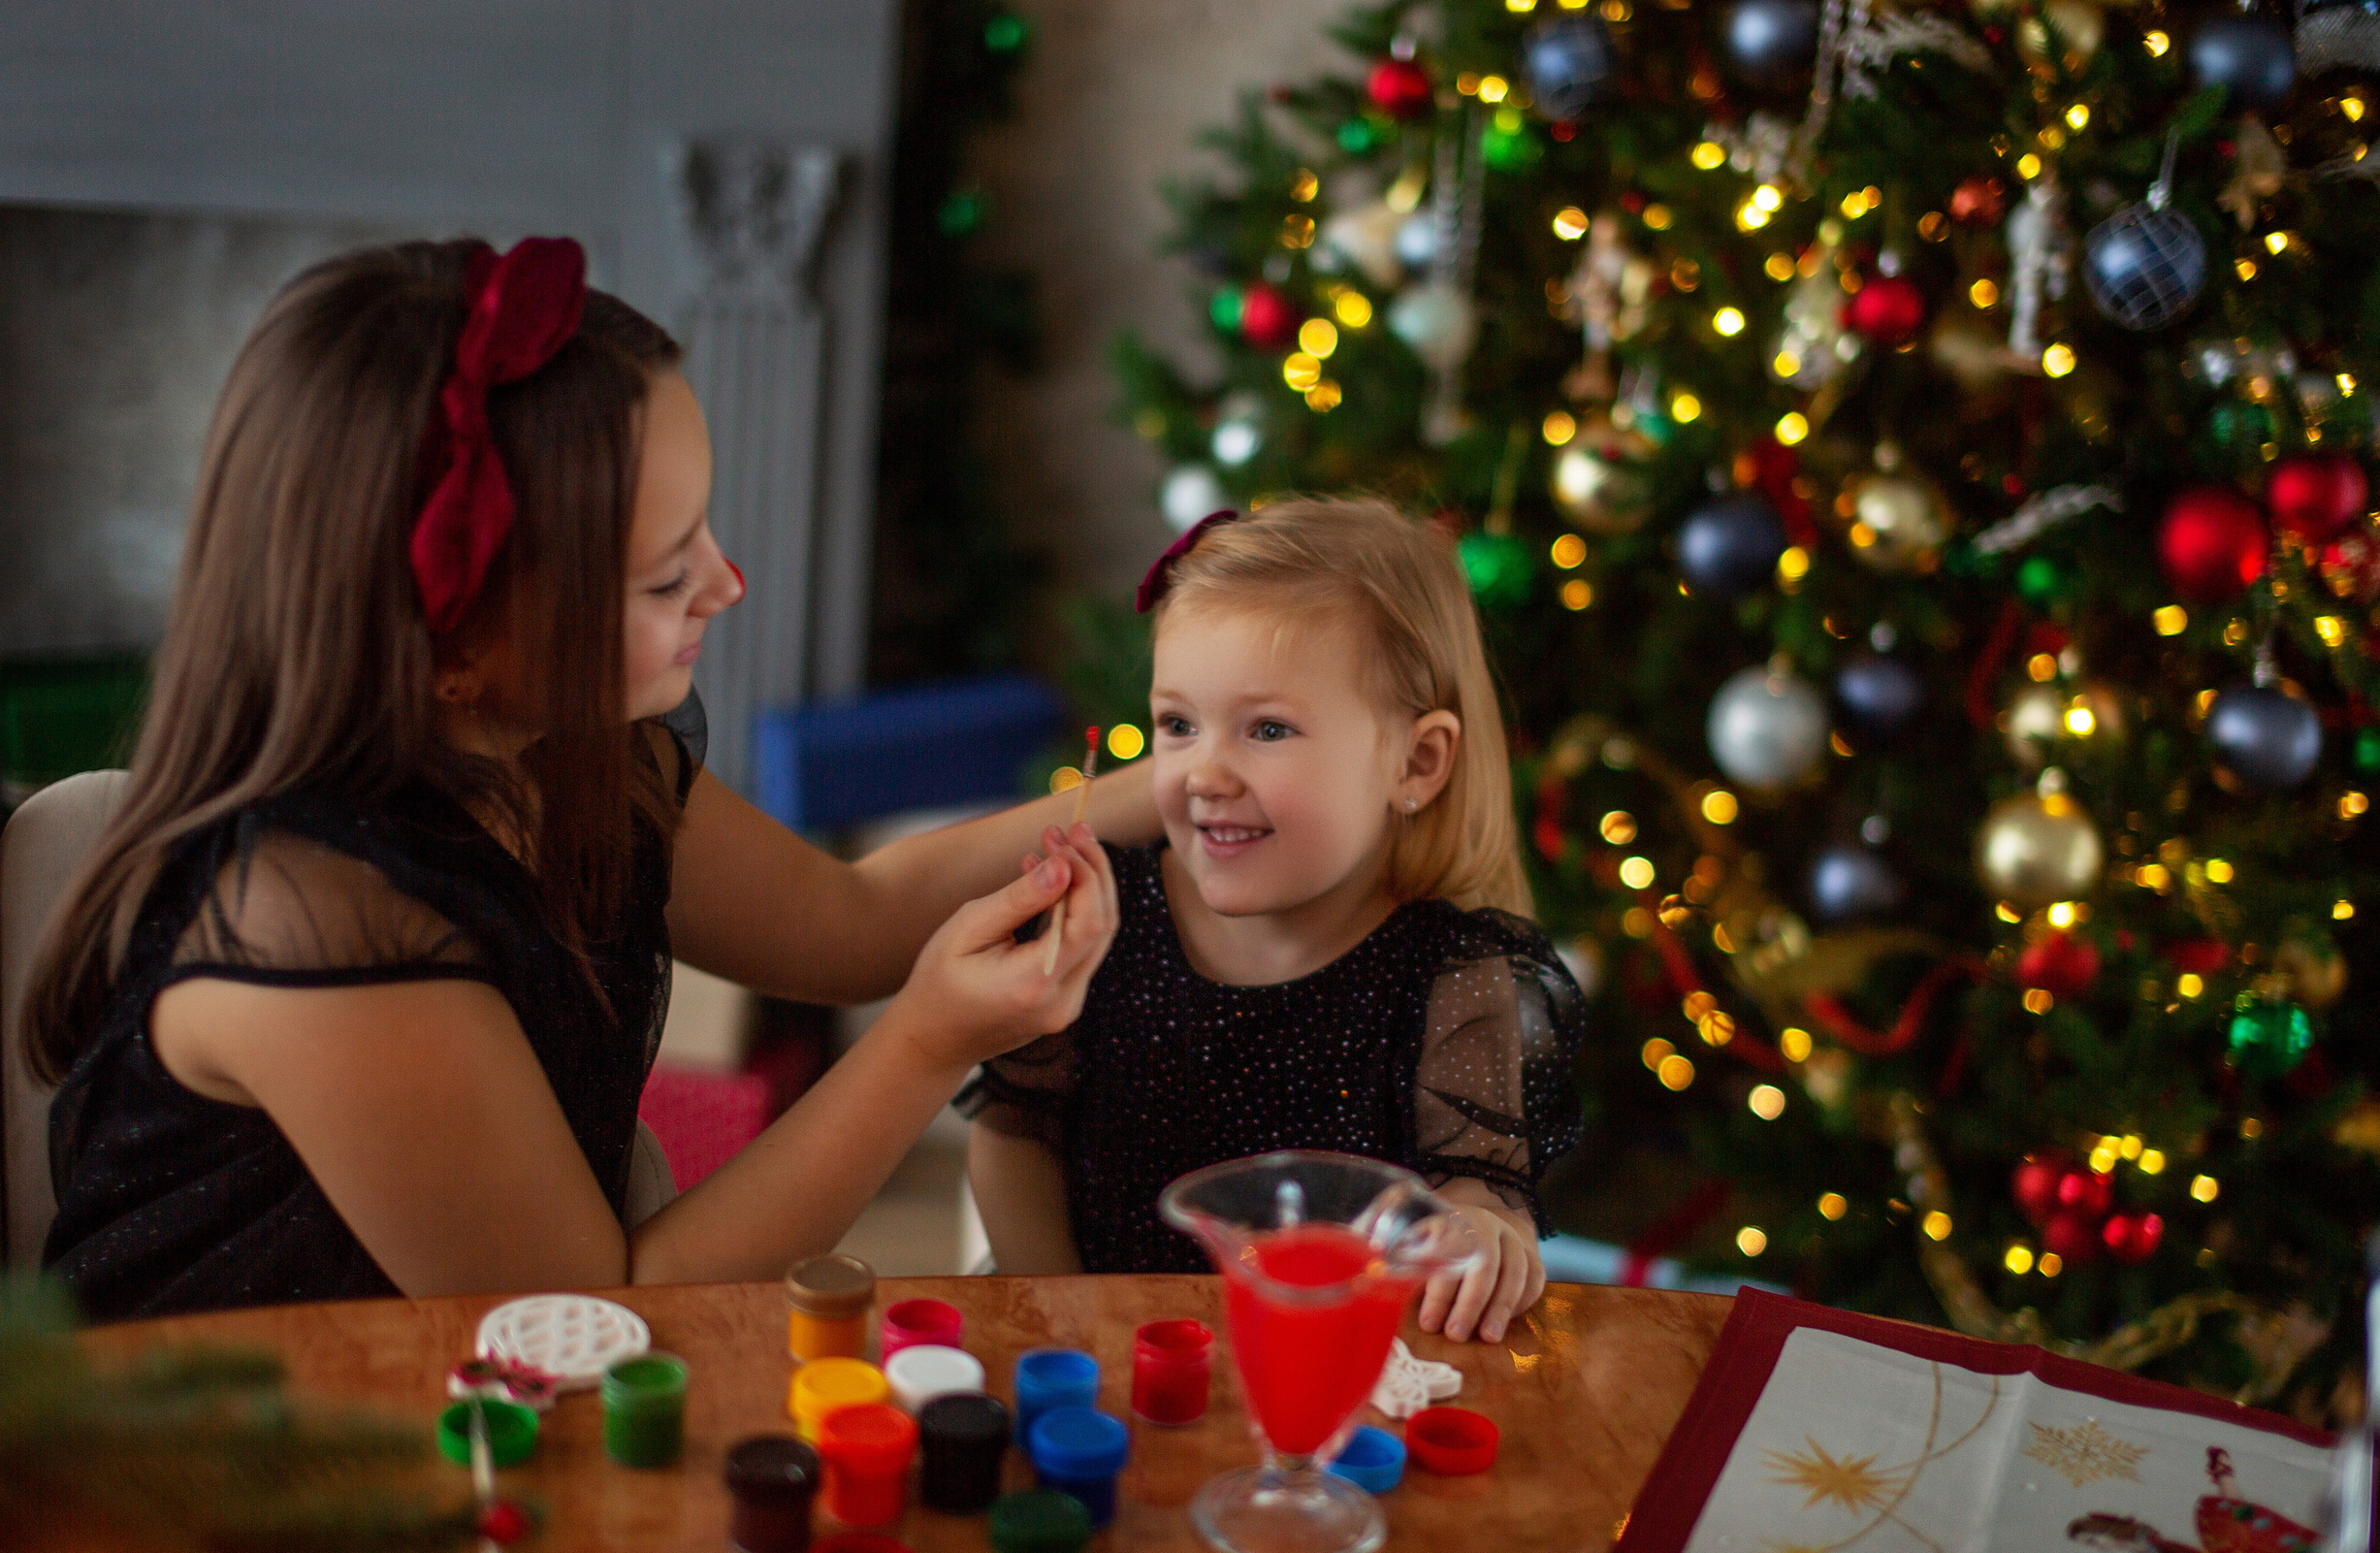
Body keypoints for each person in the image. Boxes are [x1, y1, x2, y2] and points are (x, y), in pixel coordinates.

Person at [21, 238, 1146, 1320]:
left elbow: (852, 921)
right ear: (455, 653)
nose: (727, 584)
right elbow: (601, 1318)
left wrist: (1166, 788)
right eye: (665, 579)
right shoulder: (315, 923)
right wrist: (932, 1040)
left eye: (702, 532)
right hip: (246, 1456)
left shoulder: (569, 754)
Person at [961, 499, 1583, 1343]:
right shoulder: (1101, 916)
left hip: (1325, 1393)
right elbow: (1012, 1139)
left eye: (1268, 728)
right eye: (1178, 724)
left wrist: (1482, 1236)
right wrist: (1073, 1320)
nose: (1204, 771)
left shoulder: (1458, 979)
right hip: (1098, 1365)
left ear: (1418, 760)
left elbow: (1479, 1195)